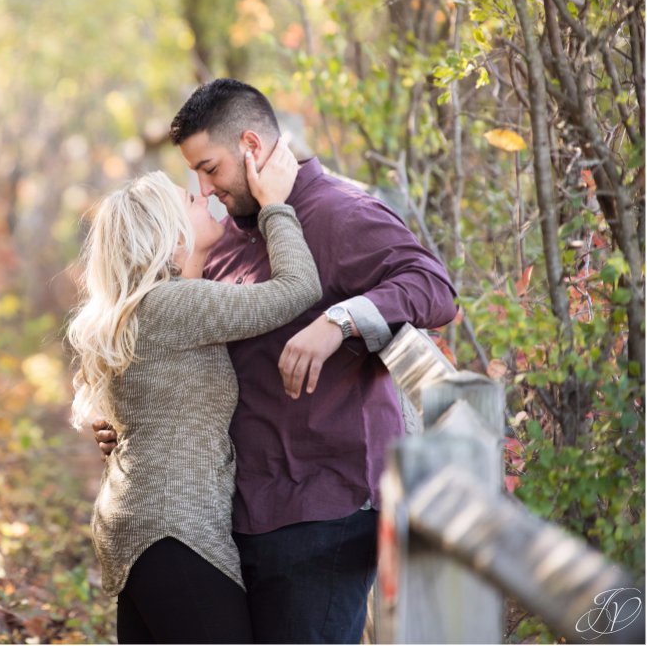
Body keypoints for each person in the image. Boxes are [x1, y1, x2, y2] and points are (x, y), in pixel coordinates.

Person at [94, 79, 457, 643]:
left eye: (210, 169)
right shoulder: (225, 239)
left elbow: (434, 288)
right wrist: (140, 418)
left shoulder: (341, 213)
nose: (205, 189)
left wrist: (339, 321)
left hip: (321, 511)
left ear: (251, 146)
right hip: (235, 516)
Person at [68, 141, 321, 645]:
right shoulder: (176, 304)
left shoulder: (151, 306)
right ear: (170, 236)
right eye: (187, 200)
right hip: (172, 528)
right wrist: (274, 204)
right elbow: (299, 288)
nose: (201, 196)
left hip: (141, 520)